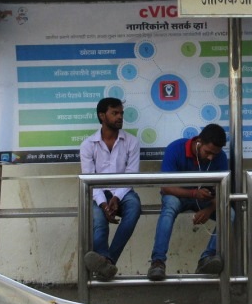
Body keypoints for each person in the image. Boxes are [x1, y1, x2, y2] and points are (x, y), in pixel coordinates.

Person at [148, 123, 229, 281]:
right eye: (208, 152)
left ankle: (208, 257)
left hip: (204, 199)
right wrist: (194, 193)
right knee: (169, 206)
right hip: (179, 196)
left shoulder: (220, 157)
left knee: (230, 213)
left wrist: (210, 209)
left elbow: (223, 190)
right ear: (199, 141)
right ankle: (158, 262)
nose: (211, 157)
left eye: (215, 154)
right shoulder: (176, 149)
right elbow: (166, 187)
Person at [79, 97, 142, 282]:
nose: (120, 117)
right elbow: (89, 180)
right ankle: (105, 262)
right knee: (98, 220)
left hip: (124, 190)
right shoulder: (88, 145)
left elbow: (131, 176)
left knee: (134, 208)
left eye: (121, 113)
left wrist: (116, 197)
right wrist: (104, 203)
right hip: (97, 192)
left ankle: (107, 260)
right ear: (102, 116)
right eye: (115, 113)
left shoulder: (132, 142)